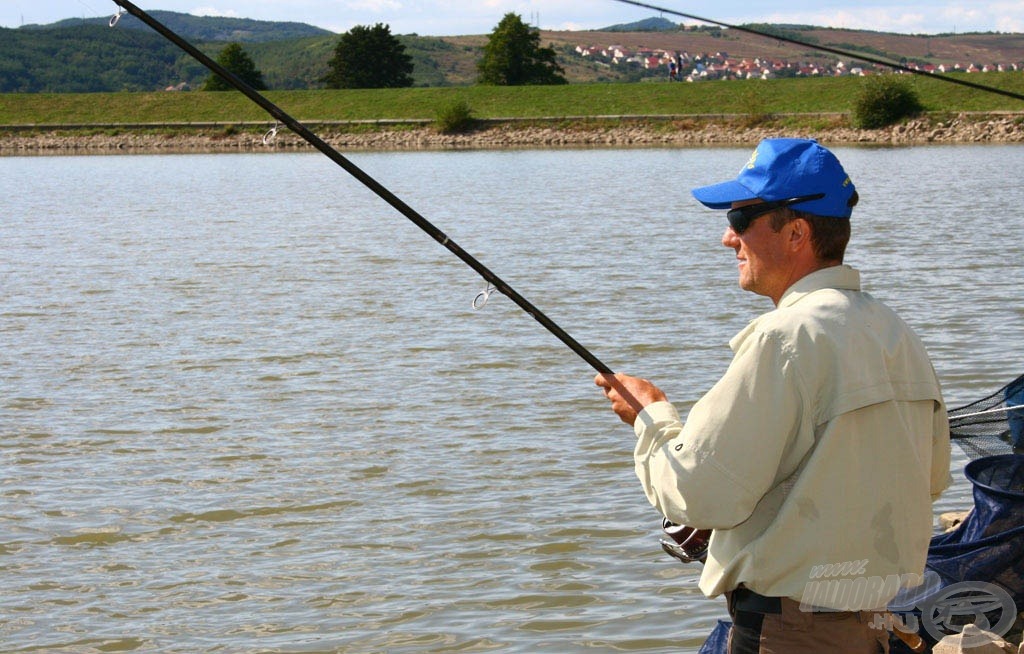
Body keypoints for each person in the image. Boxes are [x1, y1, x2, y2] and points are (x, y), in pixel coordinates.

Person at [596, 138, 951, 653]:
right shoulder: (894, 330)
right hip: (871, 626)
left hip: (790, 633)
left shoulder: (782, 337)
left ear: (796, 232)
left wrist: (651, 418)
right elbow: (932, 478)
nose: (727, 239)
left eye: (741, 220)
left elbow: (698, 493)